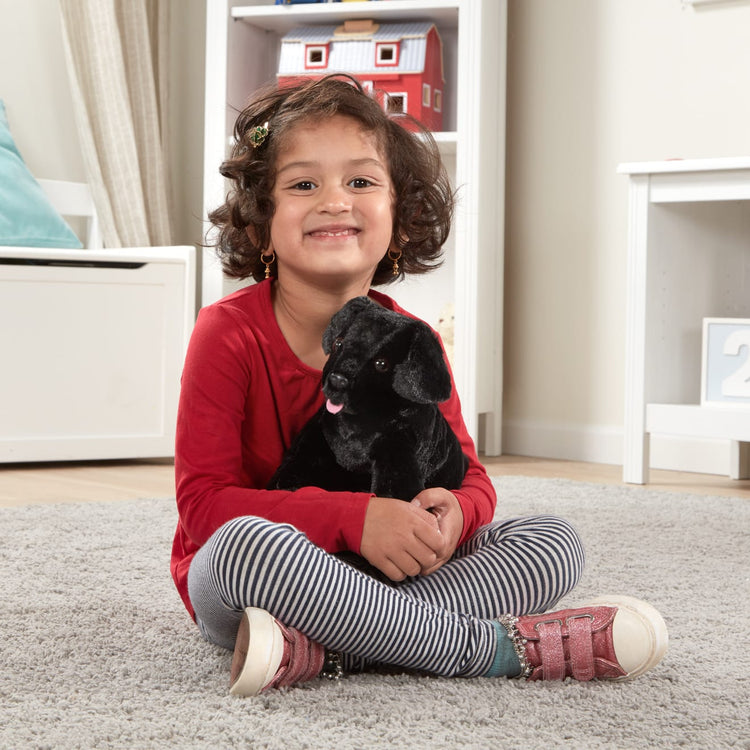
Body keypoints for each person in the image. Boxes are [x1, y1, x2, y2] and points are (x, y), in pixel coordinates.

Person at [171, 75, 667, 696]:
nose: (334, 200)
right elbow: (203, 507)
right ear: (259, 226)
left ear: (399, 223)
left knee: (551, 540)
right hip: (266, 581)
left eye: (360, 181)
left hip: (394, 574)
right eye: (303, 184)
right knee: (243, 545)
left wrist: (456, 513)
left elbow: (474, 479)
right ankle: (495, 649)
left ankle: (331, 648)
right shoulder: (226, 333)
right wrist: (356, 519)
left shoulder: (410, 339)